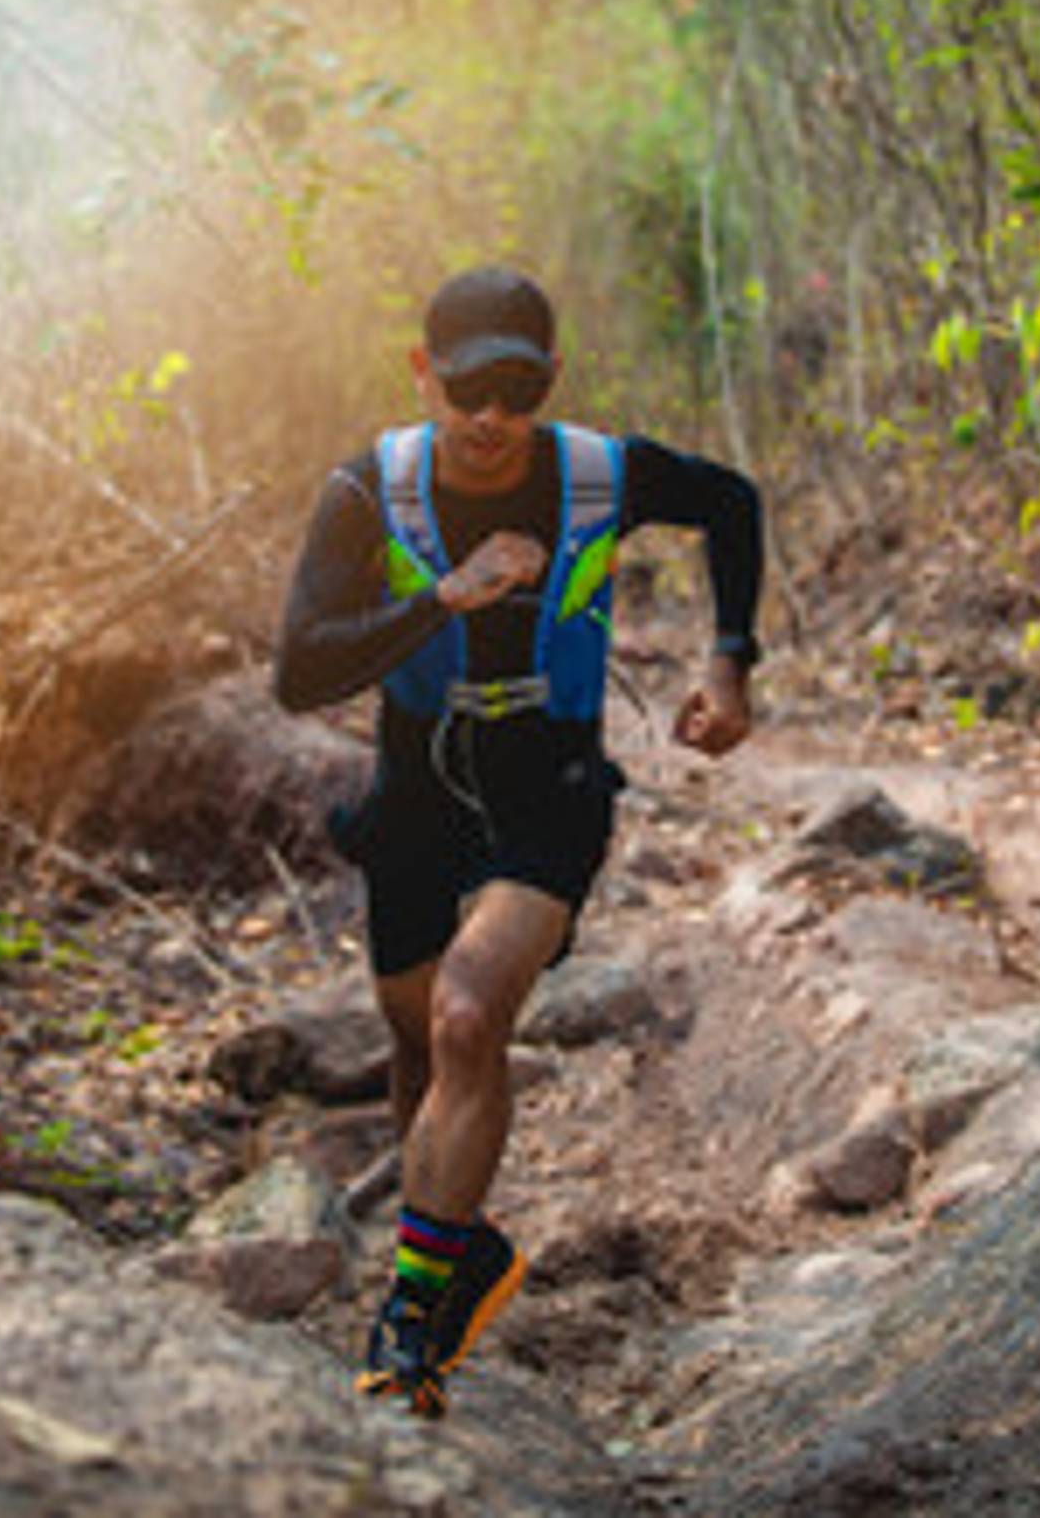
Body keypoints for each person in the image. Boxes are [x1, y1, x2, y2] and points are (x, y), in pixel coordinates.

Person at [272, 264, 763, 1417]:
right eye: (467, 389)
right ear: (421, 374)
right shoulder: (366, 490)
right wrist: (443, 595)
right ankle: (459, 1252)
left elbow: (731, 499)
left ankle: (408, 1333)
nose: (492, 417)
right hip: (415, 786)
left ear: (549, 380)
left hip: (549, 779)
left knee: (466, 1010)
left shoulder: (597, 470)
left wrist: (730, 660)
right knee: (416, 1043)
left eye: (518, 388)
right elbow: (299, 672)